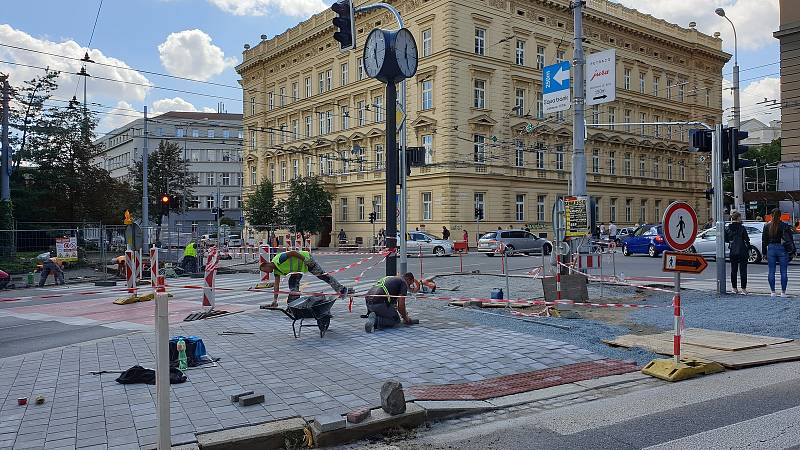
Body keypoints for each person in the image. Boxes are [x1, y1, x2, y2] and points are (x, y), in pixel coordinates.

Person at [260, 249, 351, 307]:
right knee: (292, 285)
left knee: (323, 276)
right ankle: (294, 303)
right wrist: (275, 300)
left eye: (266, 270)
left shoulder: (278, 259)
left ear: (267, 264)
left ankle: (342, 289)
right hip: (298, 270)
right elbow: (276, 286)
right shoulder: (276, 271)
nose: (267, 272)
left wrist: (305, 260)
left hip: (306, 260)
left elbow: (293, 253)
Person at [762, 208, 796, 297]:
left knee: (771, 271)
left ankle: (773, 292)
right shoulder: (784, 225)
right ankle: (783, 292)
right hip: (782, 249)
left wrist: (764, 252)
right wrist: (793, 250)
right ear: (780, 215)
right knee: (784, 272)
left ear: (771, 215)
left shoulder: (767, 226)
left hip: (771, 249)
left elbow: (764, 241)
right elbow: (789, 239)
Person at [725, 211, 750, 294]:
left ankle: (734, 288)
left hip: (733, 251)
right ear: (738, 218)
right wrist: (748, 248)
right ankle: (743, 289)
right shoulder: (742, 228)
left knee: (733, 270)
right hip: (742, 250)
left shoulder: (728, 228)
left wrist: (732, 241)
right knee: (743, 270)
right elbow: (747, 239)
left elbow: (725, 239)